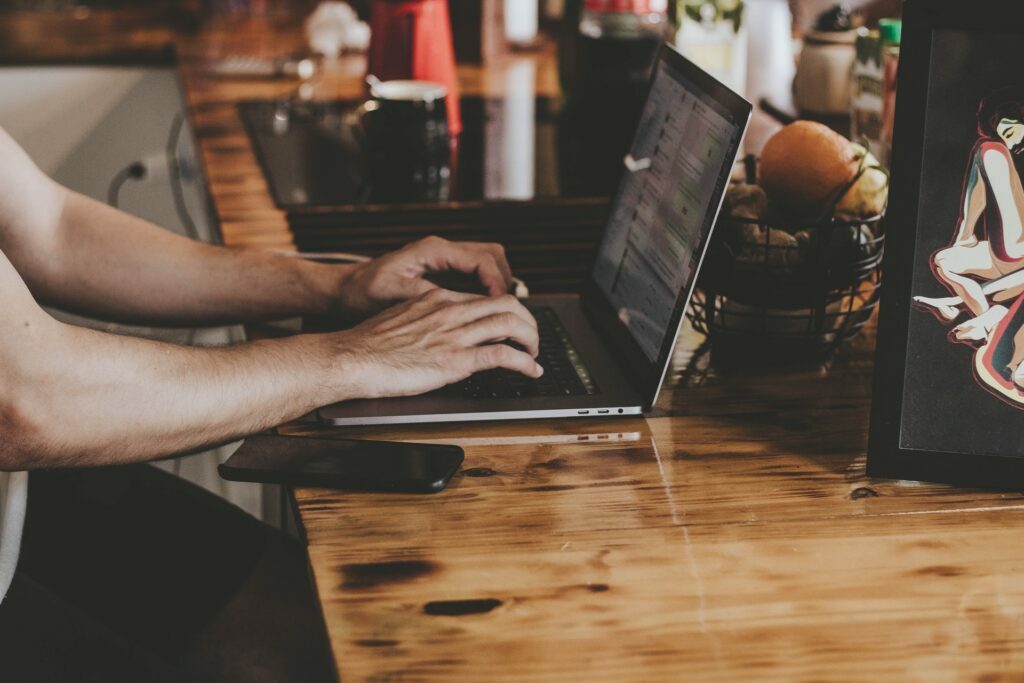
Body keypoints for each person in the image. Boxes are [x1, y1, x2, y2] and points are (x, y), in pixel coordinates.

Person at [0, 122, 542, 682]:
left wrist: (336, 285)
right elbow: (26, 401)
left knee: (319, 633)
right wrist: (354, 357)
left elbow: (46, 227)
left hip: (27, 494)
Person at [914, 87, 1024, 342]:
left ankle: (980, 316)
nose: (1012, 143)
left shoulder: (997, 151)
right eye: (1006, 136)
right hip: (1010, 257)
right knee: (945, 261)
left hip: (1015, 251)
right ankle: (988, 323)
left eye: (1010, 132)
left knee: (989, 151)